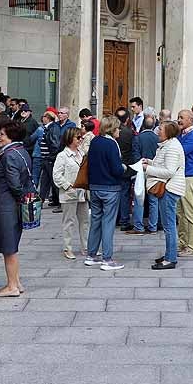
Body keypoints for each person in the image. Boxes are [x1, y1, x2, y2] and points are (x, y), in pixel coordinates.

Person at [0, 121, 33, 294]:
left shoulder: (9, 155)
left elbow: (14, 184)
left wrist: (18, 197)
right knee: (12, 244)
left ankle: (12, 286)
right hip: (15, 204)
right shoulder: (22, 151)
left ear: (11, 136)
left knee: (9, 247)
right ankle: (16, 282)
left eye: (2, 134)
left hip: (7, 204)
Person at [83, 116, 126, 271]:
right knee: (108, 223)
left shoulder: (95, 141)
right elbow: (116, 169)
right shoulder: (111, 144)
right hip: (110, 187)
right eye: (118, 128)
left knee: (95, 220)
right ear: (112, 129)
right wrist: (124, 169)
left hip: (95, 186)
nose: (119, 130)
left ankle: (91, 255)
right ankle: (107, 259)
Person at [144, 120, 186, 269]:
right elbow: (162, 165)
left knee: (169, 226)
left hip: (170, 188)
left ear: (168, 132)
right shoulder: (167, 145)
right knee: (168, 225)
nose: (158, 131)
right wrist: (148, 162)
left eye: (161, 129)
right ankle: (170, 253)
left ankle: (170, 259)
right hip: (168, 188)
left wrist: (146, 169)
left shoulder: (172, 147)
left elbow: (169, 171)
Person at [51, 126, 88, 260]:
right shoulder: (63, 155)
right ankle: (68, 248)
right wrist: (67, 186)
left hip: (82, 192)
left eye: (81, 137)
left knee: (84, 221)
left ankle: (86, 247)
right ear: (70, 138)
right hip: (69, 193)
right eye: (78, 137)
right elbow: (56, 175)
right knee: (69, 221)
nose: (80, 139)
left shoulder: (82, 153)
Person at [175, 110, 193, 256]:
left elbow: (179, 152)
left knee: (190, 213)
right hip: (181, 178)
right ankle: (182, 242)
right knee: (181, 213)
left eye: (181, 118)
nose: (178, 120)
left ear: (191, 120)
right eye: (178, 117)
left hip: (189, 178)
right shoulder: (181, 135)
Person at [40, 107, 75, 213]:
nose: (59, 115)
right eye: (58, 113)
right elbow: (49, 138)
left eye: (62, 113)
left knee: (56, 179)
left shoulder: (71, 125)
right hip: (51, 155)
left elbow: (68, 139)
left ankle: (60, 203)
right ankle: (42, 200)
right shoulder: (54, 125)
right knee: (46, 178)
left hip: (63, 154)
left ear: (67, 115)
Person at [136, 115, 160, 234]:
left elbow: (135, 156)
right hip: (154, 171)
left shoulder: (138, 138)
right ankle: (153, 226)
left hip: (141, 171)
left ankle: (139, 226)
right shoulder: (158, 138)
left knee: (139, 199)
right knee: (153, 200)